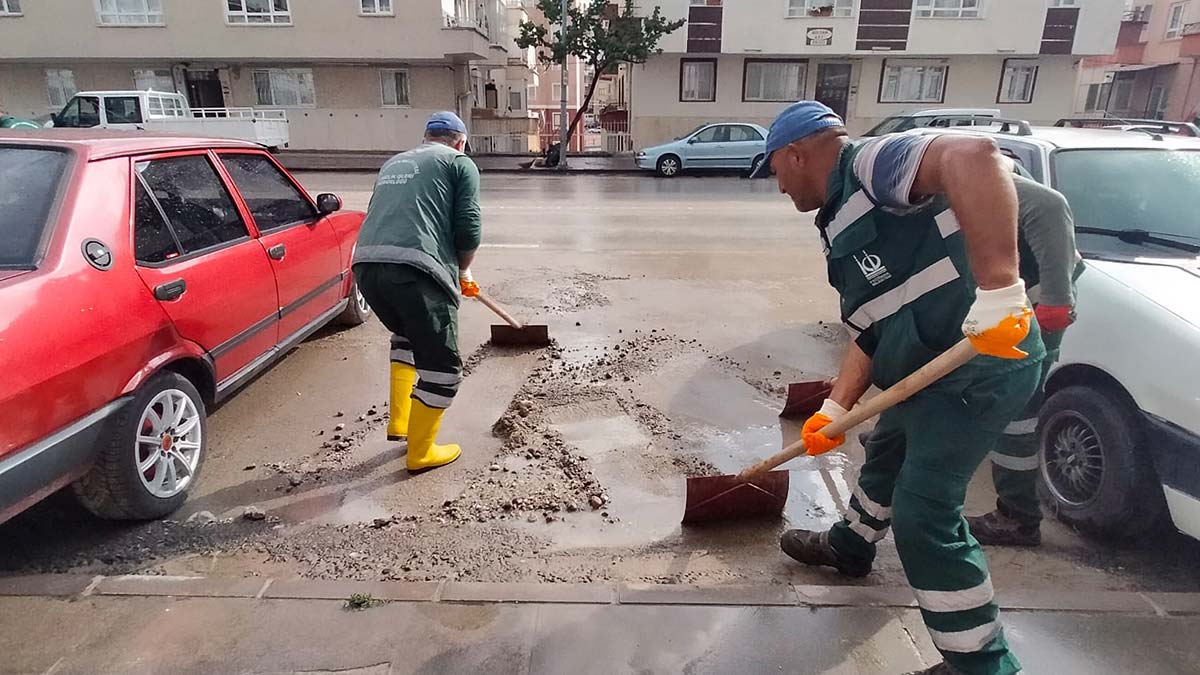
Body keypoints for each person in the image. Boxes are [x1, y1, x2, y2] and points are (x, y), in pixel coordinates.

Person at [752, 101, 1044, 675]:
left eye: (774, 170)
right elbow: (873, 331)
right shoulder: (838, 218)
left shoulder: (873, 165)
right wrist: (834, 409)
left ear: (797, 153)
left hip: (978, 368)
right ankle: (850, 546)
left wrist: (1000, 289)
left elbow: (975, 155)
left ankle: (979, 663)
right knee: (884, 451)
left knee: (923, 516)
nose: (777, 185)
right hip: (923, 372)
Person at [352, 111, 482, 473]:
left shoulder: (394, 163)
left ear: (426, 137)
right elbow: (468, 229)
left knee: (407, 335)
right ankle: (421, 452)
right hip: (415, 271)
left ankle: (401, 423)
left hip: (366, 267)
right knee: (444, 371)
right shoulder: (459, 162)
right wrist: (463, 270)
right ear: (460, 141)